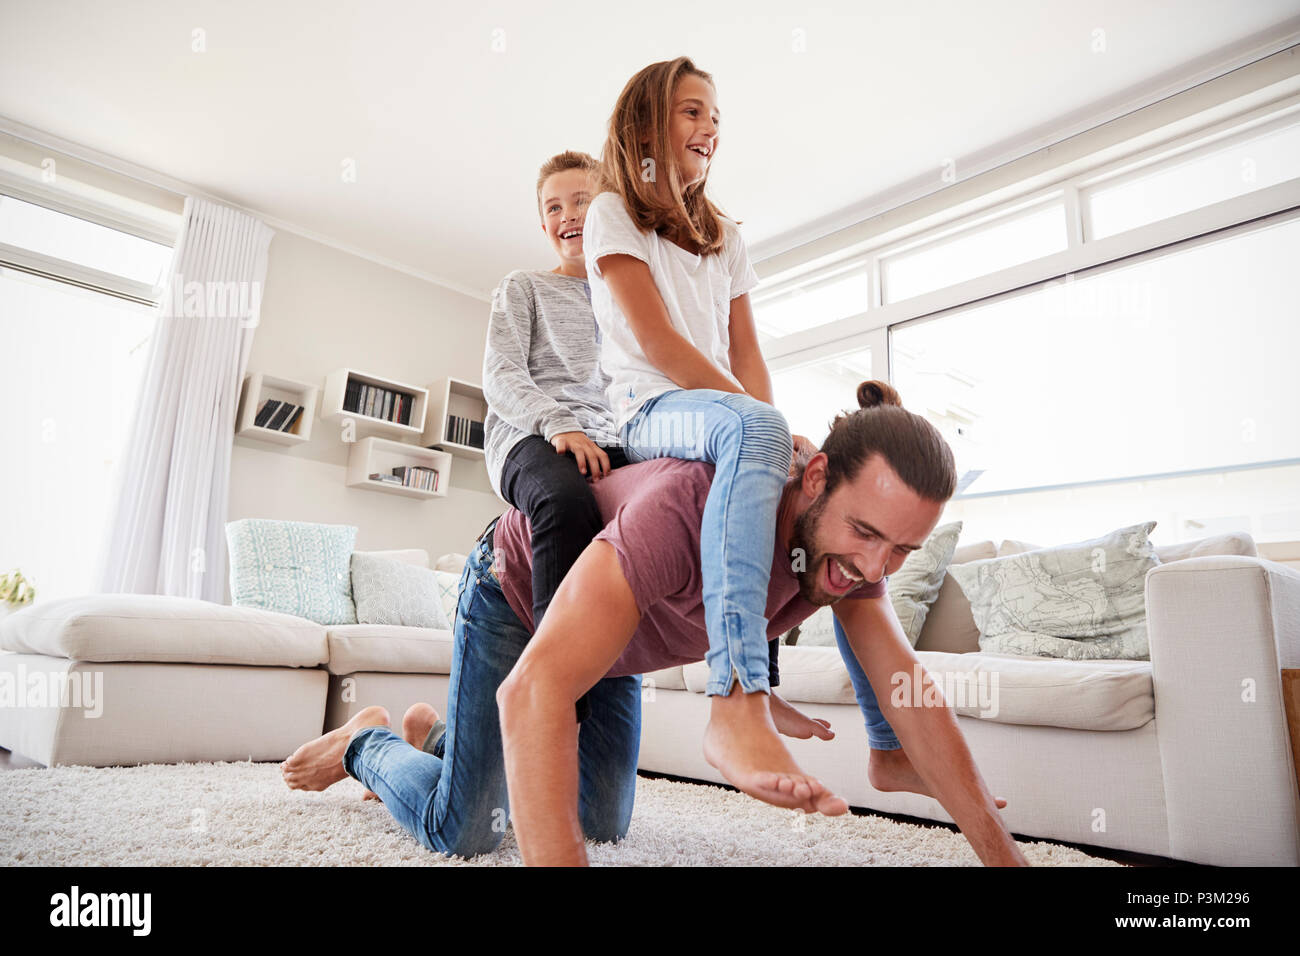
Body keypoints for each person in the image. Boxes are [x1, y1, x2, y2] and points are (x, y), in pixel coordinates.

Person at [283, 381, 1025, 867]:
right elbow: (532, 694)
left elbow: (906, 690)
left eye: (903, 548)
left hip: (616, 650)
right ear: (817, 476)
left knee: (600, 823)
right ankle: (367, 743)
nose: (875, 567)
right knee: (470, 831)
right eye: (867, 533)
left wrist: (1005, 857)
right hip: (517, 595)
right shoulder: (691, 505)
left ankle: (445, 741)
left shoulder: (854, 559)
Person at [581, 55, 820, 808]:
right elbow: (657, 343)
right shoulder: (612, 213)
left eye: (715, 116)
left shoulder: (726, 235)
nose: (709, 127)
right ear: (647, 124)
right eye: (691, 111)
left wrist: (774, 436)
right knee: (762, 430)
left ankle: (881, 738)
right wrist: (763, 425)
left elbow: (747, 354)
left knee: (816, 482)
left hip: (718, 414)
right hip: (652, 411)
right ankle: (734, 691)